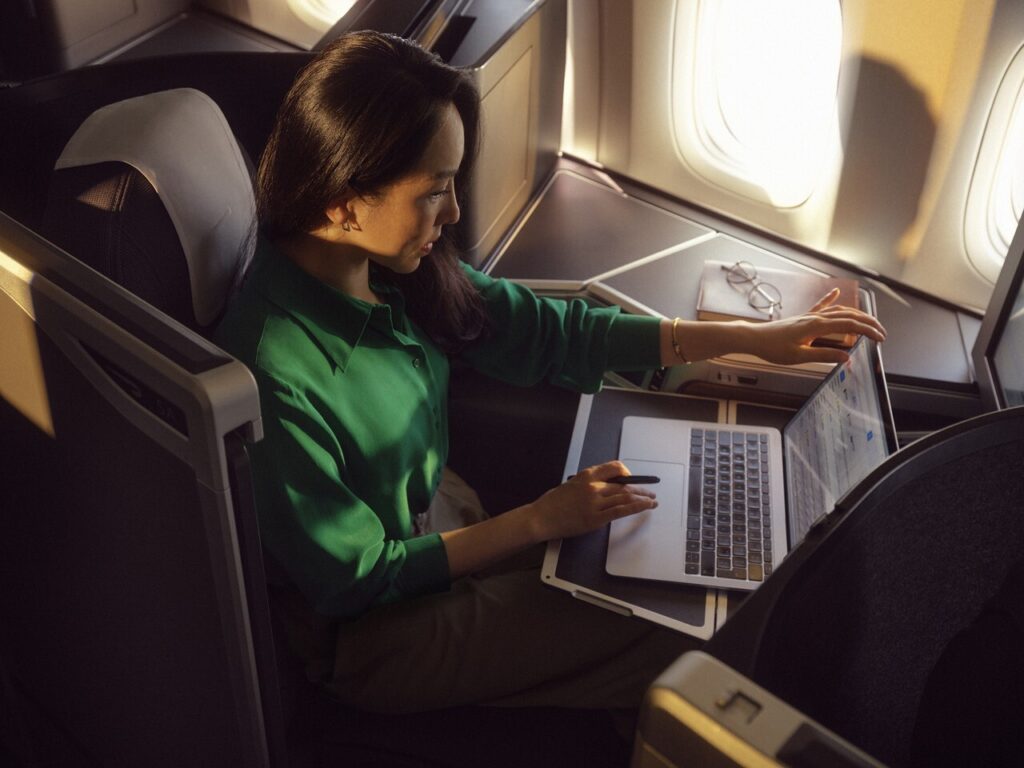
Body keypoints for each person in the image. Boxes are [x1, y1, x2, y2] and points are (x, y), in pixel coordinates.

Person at [214, 31, 887, 718]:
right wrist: (540, 520)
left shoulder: (385, 271)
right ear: (344, 199)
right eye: (435, 192)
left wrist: (751, 341)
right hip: (379, 632)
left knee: (669, 585)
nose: (450, 216)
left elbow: (556, 333)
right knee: (685, 648)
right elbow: (356, 580)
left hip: (448, 520)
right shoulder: (273, 376)